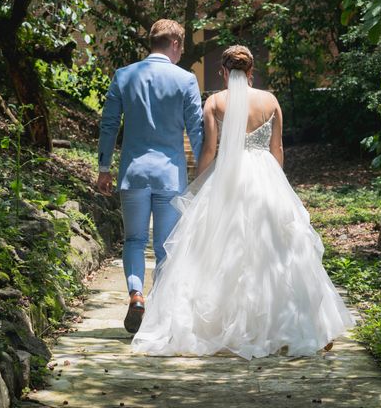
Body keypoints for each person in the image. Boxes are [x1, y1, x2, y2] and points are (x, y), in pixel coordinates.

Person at [132, 45, 354, 359]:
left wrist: (199, 183)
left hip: (229, 174)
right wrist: (276, 182)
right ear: (251, 72)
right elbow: (278, 149)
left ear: (223, 71)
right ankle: (296, 325)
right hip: (265, 175)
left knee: (220, 248)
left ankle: (222, 327)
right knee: (278, 252)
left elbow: (209, 150)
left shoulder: (215, 102)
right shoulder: (271, 100)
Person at [96, 19, 203, 334]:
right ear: (174, 43)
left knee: (133, 239)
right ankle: (161, 311)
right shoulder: (185, 80)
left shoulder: (124, 76)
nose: (181, 52)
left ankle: (136, 295)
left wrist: (104, 167)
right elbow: (196, 128)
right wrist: (208, 170)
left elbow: (109, 124)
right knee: (166, 246)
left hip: (133, 173)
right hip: (170, 175)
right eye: (181, 46)